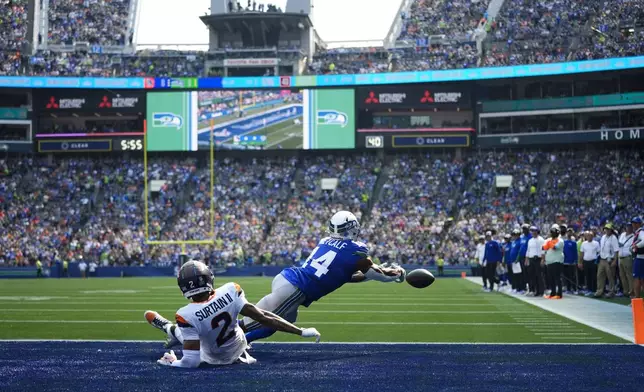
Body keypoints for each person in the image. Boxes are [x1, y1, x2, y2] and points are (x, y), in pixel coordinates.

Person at [240, 211, 406, 343]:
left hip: (288, 279)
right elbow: (378, 275)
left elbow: (343, 276)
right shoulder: (356, 249)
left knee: (280, 322)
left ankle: (243, 343)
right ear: (352, 228)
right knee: (253, 321)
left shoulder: (325, 241)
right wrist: (396, 272)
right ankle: (219, 338)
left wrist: (371, 273)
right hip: (296, 289)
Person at [145, 260, 321, 368]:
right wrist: (300, 331)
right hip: (238, 348)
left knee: (185, 335)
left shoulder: (185, 314)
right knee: (187, 334)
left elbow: (190, 362)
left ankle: (169, 328)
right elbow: (264, 317)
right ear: (208, 277)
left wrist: (172, 362)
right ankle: (170, 328)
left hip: (212, 356)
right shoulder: (231, 290)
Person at [596, 223, 619, 298]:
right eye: (605, 229)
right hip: (602, 259)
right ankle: (600, 291)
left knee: (611, 276)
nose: (606, 230)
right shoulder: (603, 237)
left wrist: (615, 261)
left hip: (610, 260)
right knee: (600, 275)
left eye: (608, 229)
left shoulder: (614, 238)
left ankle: (611, 292)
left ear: (611, 230)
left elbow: (616, 250)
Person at [542, 224, 564, 299]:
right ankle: (553, 293)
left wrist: (549, 243)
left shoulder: (560, 240)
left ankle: (559, 294)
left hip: (557, 261)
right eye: (551, 232)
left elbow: (554, 247)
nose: (552, 233)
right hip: (549, 262)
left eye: (553, 232)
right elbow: (544, 247)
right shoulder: (549, 240)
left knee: (557, 278)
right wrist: (549, 243)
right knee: (551, 278)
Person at [525, 226, 544, 296]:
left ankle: (541, 291)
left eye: (534, 231)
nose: (533, 232)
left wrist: (542, 259)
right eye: (532, 231)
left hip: (538, 259)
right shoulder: (530, 240)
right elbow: (528, 250)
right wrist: (526, 259)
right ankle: (534, 290)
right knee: (532, 276)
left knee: (539, 276)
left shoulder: (541, 239)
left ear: (537, 232)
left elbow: (543, 250)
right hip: (531, 259)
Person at [617, 223, 635, 298]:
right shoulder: (622, 234)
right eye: (627, 226)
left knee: (629, 276)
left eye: (630, 227)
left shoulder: (633, 236)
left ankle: (631, 292)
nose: (628, 228)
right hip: (620, 257)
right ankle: (625, 291)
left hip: (628, 257)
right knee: (622, 276)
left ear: (632, 228)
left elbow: (633, 248)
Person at [580, 231, 599, 296]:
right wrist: (580, 262)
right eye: (588, 236)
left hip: (593, 261)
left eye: (591, 235)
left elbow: (598, 252)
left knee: (594, 276)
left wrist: (597, 262)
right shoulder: (583, 244)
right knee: (587, 276)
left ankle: (594, 290)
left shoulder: (596, 243)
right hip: (586, 261)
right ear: (586, 237)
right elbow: (582, 253)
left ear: (593, 236)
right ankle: (589, 289)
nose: (589, 237)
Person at [563, 228, 579, 294]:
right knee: (567, 276)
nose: (569, 233)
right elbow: (563, 252)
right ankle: (568, 289)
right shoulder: (564, 242)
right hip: (565, 262)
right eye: (568, 232)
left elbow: (575, 252)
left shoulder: (574, 243)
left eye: (570, 232)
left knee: (573, 276)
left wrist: (576, 261)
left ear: (572, 233)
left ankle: (575, 289)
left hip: (572, 262)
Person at [632, 217, 644, 299]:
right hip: (639, 257)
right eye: (633, 223)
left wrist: (636, 246)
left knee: (638, 279)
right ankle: (638, 299)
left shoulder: (641, 232)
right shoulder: (637, 233)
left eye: (636, 223)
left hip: (640, 258)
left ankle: (637, 299)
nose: (634, 224)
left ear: (640, 224)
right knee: (640, 279)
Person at [509, 229, 523, 293]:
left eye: (515, 235)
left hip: (517, 261)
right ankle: (515, 287)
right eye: (513, 235)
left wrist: (517, 259)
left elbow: (520, 251)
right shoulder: (513, 242)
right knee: (514, 275)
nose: (514, 236)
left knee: (519, 275)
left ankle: (520, 288)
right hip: (513, 260)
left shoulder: (520, 241)